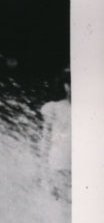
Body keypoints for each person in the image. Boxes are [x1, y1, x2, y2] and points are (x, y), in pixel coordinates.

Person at [40, 68, 71, 202]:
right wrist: (43, 170)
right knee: (60, 203)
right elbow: (45, 139)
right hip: (60, 163)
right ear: (66, 86)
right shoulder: (53, 108)